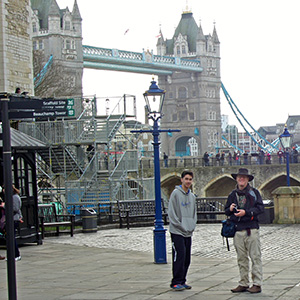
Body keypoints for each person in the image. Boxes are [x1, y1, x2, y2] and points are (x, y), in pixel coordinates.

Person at [225, 168, 264, 294]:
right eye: (239, 177)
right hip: (238, 230)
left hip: (251, 229)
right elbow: (226, 211)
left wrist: (246, 212)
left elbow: (260, 208)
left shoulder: (254, 193)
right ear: (236, 179)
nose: (241, 179)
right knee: (241, 258)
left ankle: (257, 283)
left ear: (248, 180)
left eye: (244, 177)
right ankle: (243, 282)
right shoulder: (233, 194)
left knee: (255, 257)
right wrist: (230, 209)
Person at [168, 170, 197, 291]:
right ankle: (176, 281)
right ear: (182, 180)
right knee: (179, 255)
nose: (188, 181)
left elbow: (194, 213)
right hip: (177, 231)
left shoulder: (192, 196)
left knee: (186, 257)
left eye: (190, 179)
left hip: (188, 231)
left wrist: (192, 225)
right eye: (186, 179)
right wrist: (179, 225)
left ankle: (183, 280)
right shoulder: (175, 194)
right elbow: (172, 212)